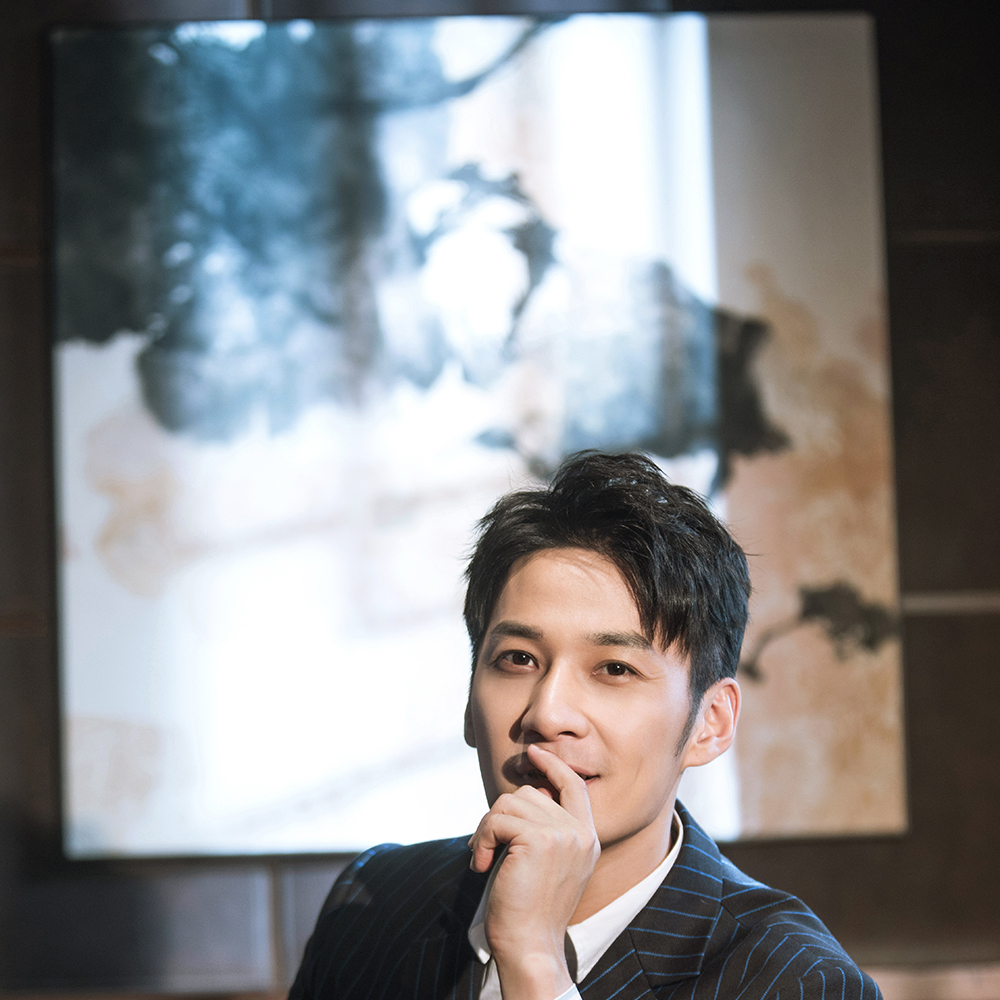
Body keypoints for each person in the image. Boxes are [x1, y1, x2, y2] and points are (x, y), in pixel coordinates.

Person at [289, 451, 880, 1000]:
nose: (547, 714)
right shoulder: (371, 904)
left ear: (710, 723)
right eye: (518, 659)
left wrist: (534, 960)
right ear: (469, 701)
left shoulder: (799, 980)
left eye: (615, 669)